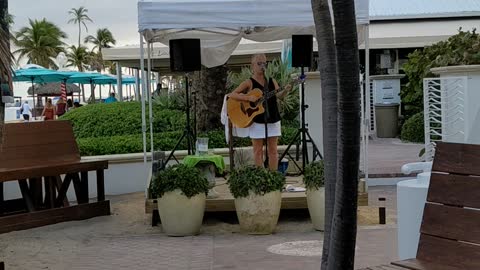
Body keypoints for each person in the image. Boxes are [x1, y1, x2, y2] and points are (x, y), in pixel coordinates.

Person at [229, 53, 291, 170]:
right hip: (256, 120)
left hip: (272, 117)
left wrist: (286, 90)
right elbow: (232, 94)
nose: (262, 66)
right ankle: (260, 176)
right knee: (257, 151)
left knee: (273, 150)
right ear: (252, 65)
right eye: (259, 63)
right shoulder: (249, 82)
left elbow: (279, 96)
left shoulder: (271, 81)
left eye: (264, 63)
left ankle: (273, 178)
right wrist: (248, 98)